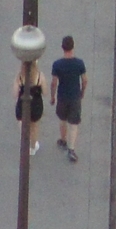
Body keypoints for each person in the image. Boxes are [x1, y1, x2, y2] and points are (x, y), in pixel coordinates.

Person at [50, 35, 88, 163]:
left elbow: (54, 82)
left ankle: (63, 140)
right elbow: (84, 80)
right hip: (75, 96)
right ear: (73, 47)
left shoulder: (57, 64)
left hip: (62, 96)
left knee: (62, 119)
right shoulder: (79, 63)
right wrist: (82, 92)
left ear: (62, 48)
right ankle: (71, 149)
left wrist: (52, 96)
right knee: (74, 123)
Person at [15, 61, 46, 156]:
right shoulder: (40, 76)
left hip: (22, 103)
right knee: (34, 125)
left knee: (22, 122)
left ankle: (25, 141)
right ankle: (33, 147)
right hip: (36, 104)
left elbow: (14, 93)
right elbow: (45, 92)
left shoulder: (19, 76)